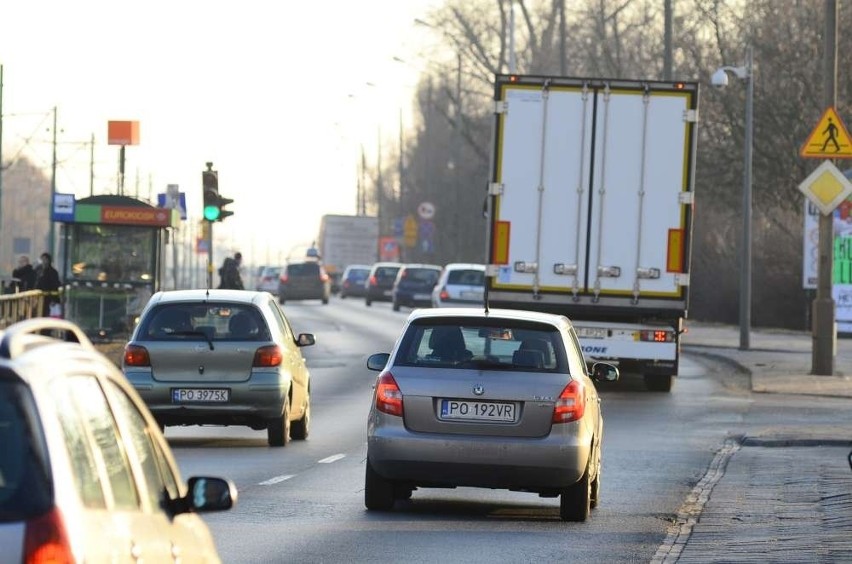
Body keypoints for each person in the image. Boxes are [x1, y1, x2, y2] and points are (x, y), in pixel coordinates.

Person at [35, 252, 62, 317]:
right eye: (42, 259)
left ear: (48, 260)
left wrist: (54, 299)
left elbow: (55, 285)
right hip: (38, 297)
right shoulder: (38, 270)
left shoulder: (52, 272)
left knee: (47, 315)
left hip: (49, 298)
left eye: (45, 259)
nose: (43, 261)